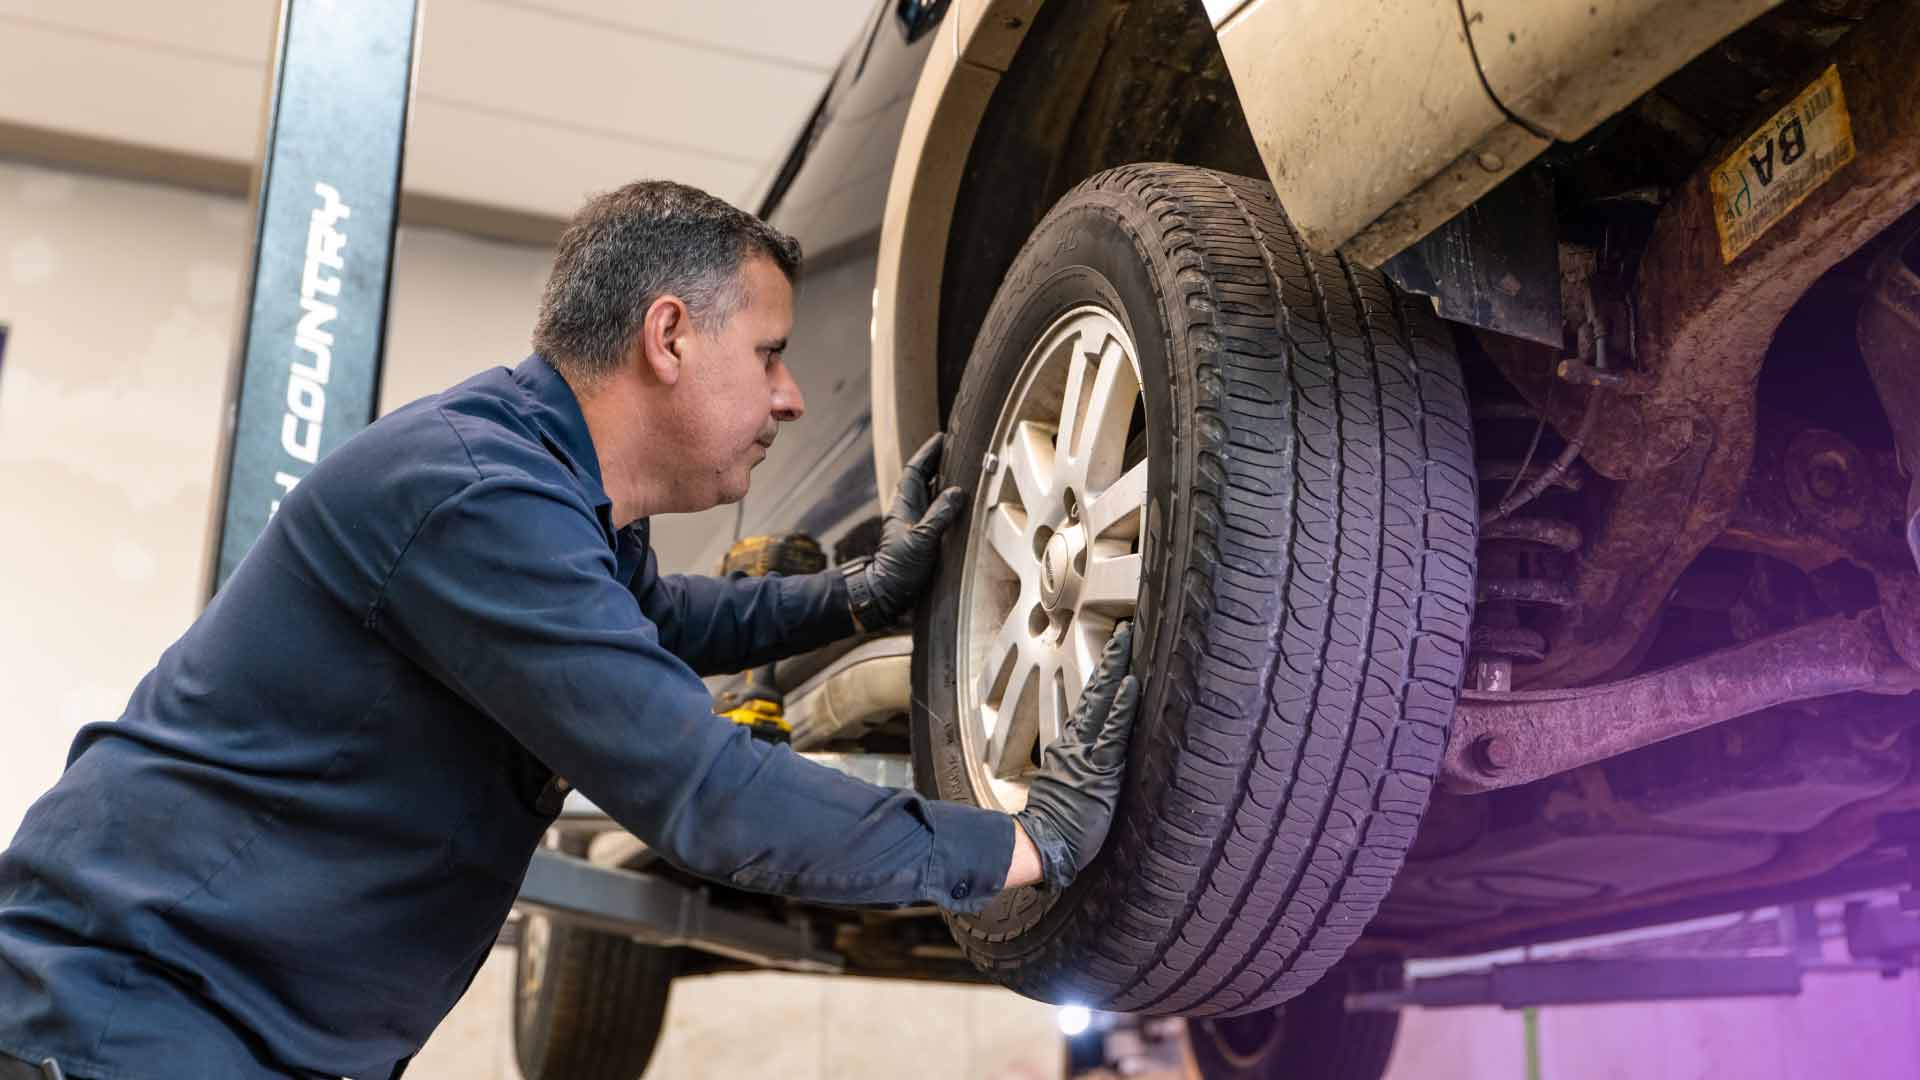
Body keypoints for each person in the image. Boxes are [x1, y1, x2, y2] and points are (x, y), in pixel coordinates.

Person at [0, 180, 1140, 1080]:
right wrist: (1026, 845)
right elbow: (711, 800)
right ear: (670, 335)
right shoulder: (473, 495)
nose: (791, 396)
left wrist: (853, 596)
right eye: (772, 353)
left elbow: (650, 619)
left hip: (200, 1026)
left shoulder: (539, 483)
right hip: (125, 1024)